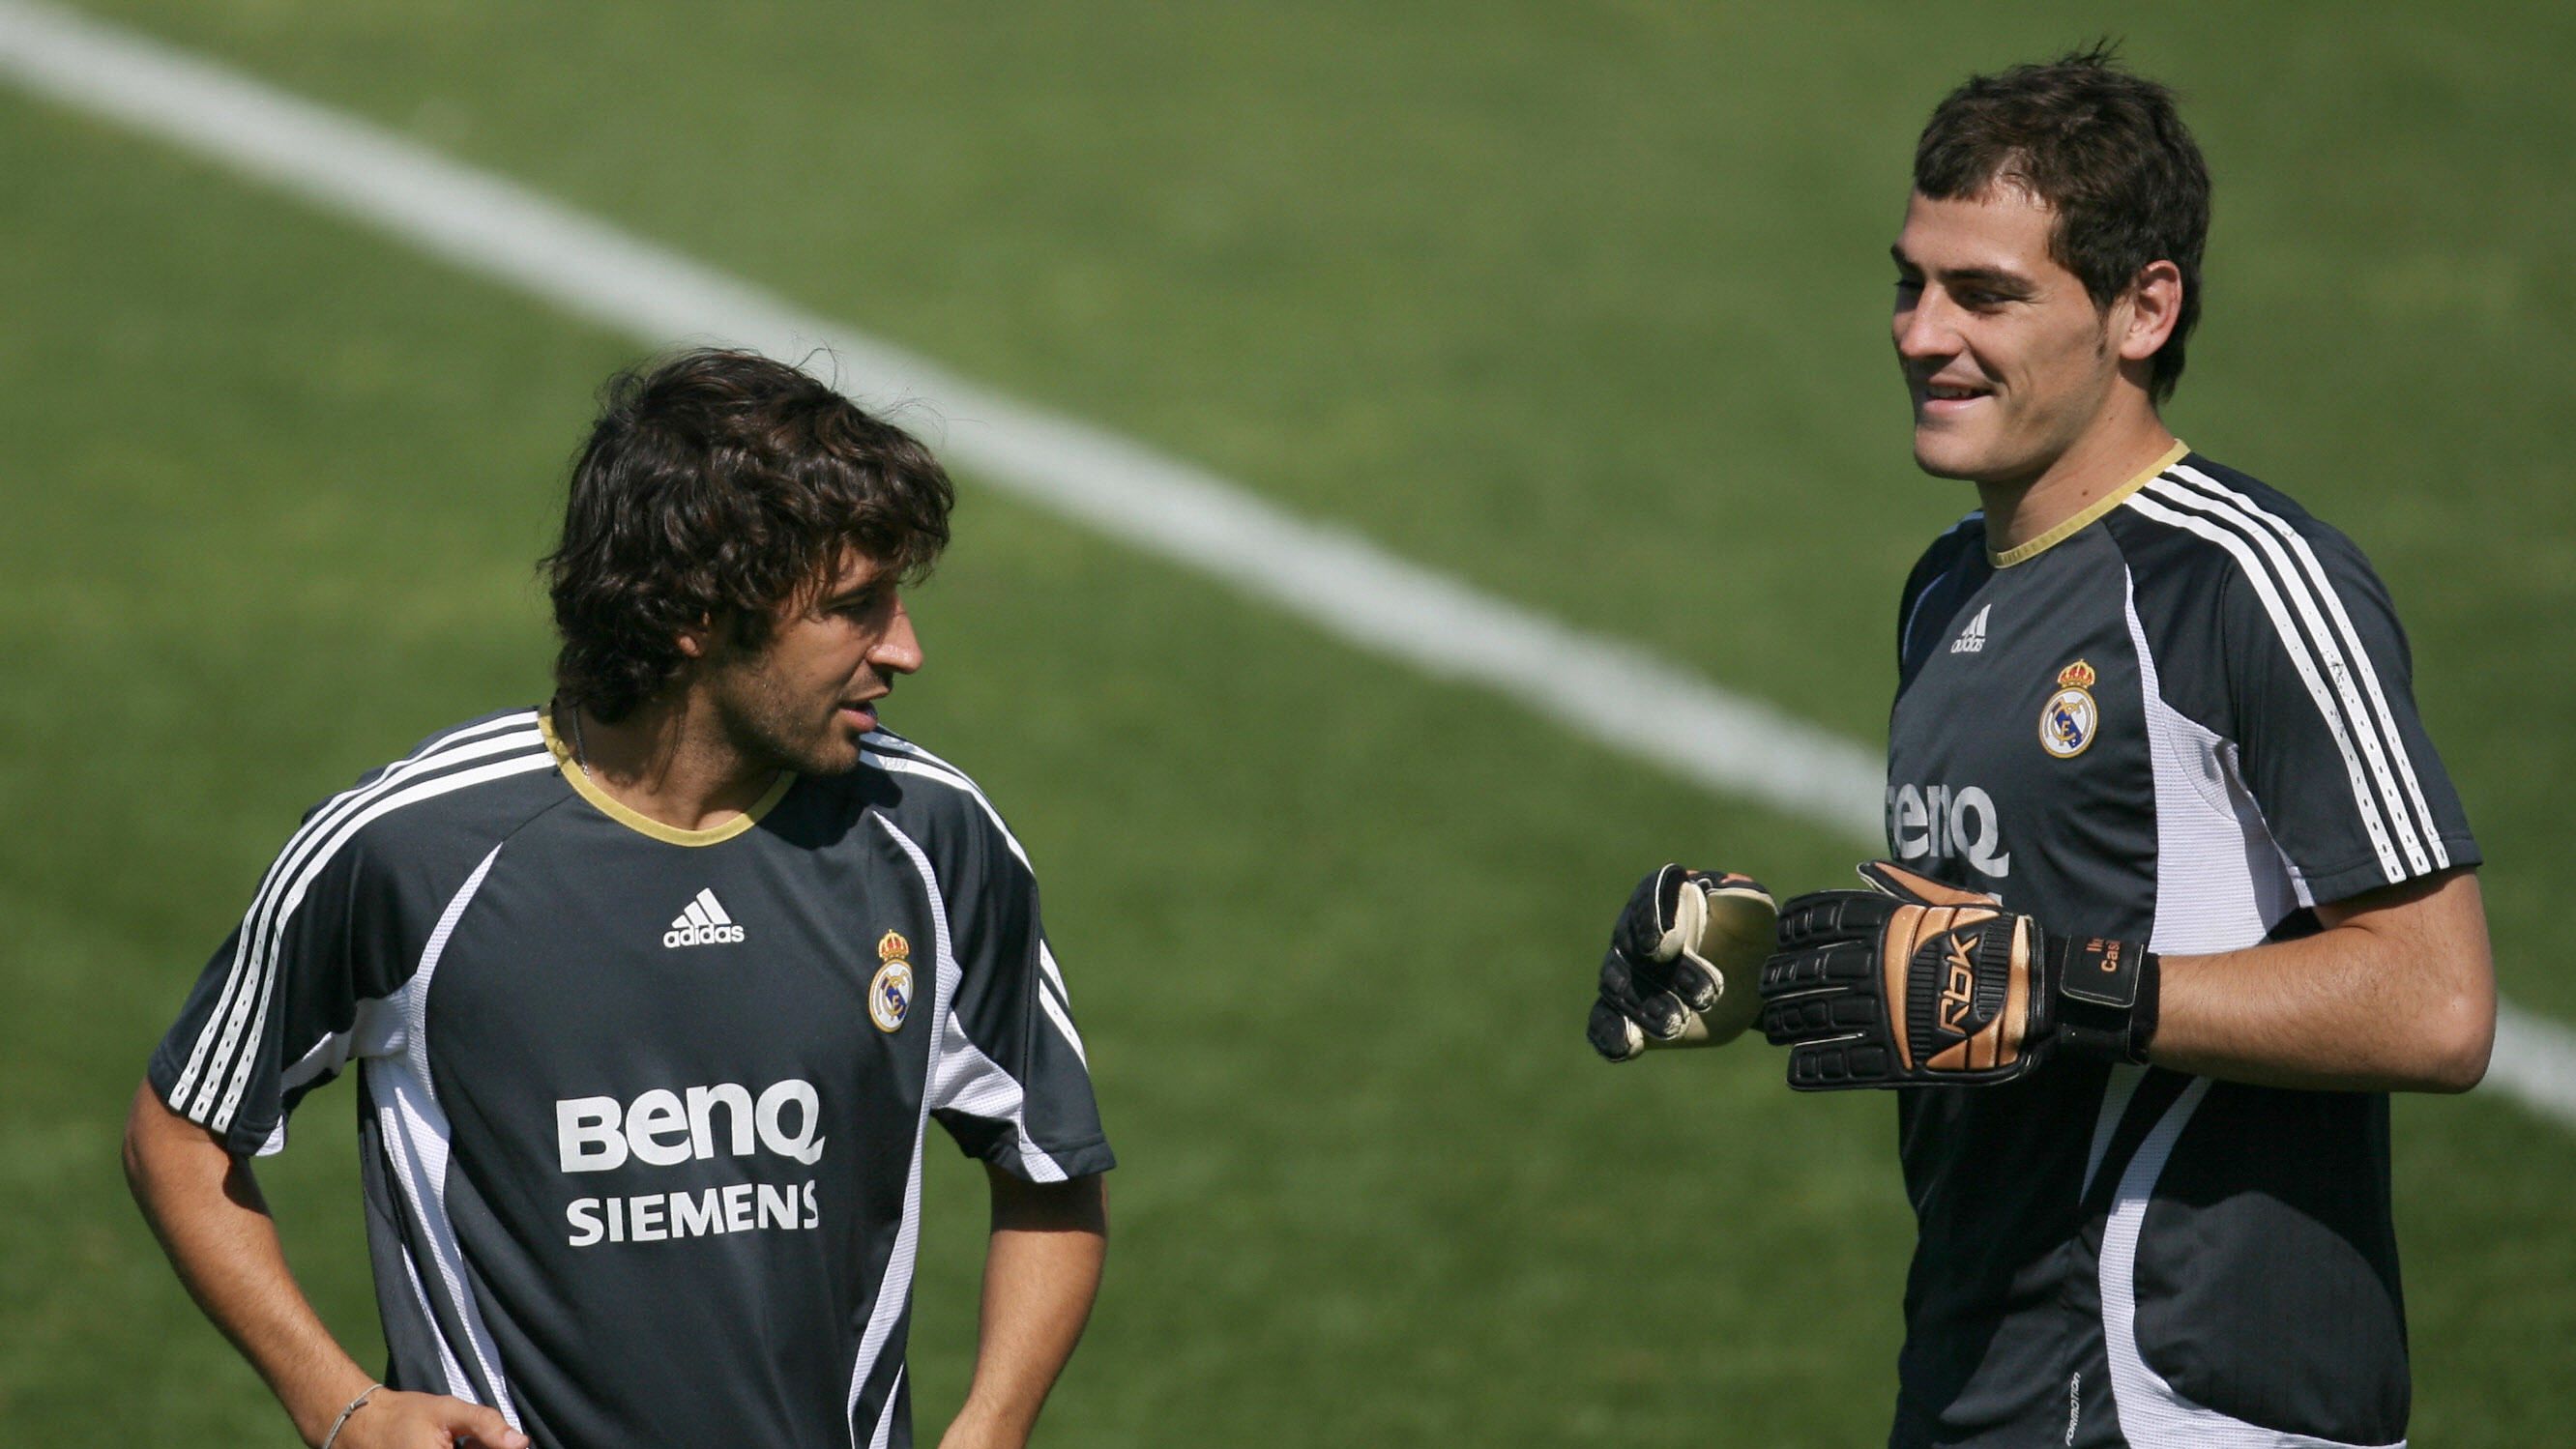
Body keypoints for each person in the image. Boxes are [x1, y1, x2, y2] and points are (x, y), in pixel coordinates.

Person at [1591, 48, 2494, 1448]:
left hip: (2186, 1388)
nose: (1918, 332)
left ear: (2143, 309)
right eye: (1912, 280)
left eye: (1986, 294)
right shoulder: (1949, 587)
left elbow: (2438, 1005)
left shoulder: (2244, 582)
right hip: (1980, 1371)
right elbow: (1977, 968)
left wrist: (2066, 987)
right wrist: (1775, 970)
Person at [125, 349, 1112, 1449]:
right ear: (698, 611)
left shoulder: (931, 838)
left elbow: (1052, 1168)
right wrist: (340, 1402)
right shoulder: (414, 849)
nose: (905, 648)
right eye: (853, 606)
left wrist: (993, 1423)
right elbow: (181, 1130)